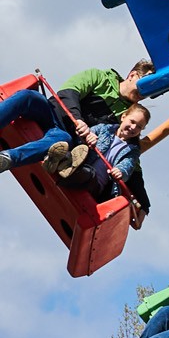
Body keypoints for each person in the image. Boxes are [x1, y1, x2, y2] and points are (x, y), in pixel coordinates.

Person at [0, 89, 152, 226]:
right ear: (123, 117)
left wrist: (121, 171)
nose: (133, 128)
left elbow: (128, 165)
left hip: (95, 181)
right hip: (81, 159)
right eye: (132, 122)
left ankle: (61, 163)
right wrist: (89, 137)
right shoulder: (105, 128)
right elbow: (85, 137)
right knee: (75, 155)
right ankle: (59, 160)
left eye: (139, 127)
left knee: (87, 173)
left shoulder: (132, 150)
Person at [57, 59, 152, 127]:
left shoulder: (132, 114)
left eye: (151, 90)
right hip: (56, 117)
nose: (144, 93)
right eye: (145, 85)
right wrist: (77, 120)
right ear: (132, 75)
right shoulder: (98, 77)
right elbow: (68, 94)